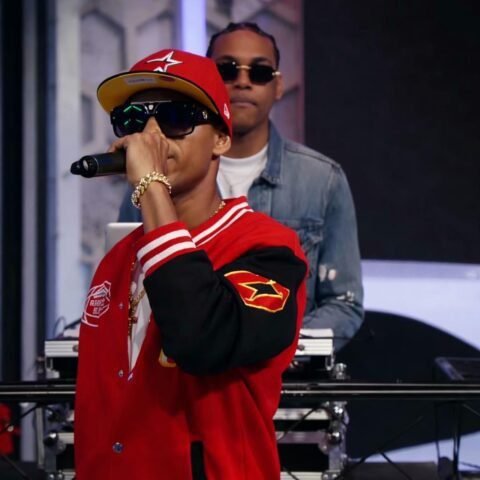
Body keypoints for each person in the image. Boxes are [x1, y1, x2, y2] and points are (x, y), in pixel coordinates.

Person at [75, 49, 307, 480]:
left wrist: (151, 186)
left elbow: (202, 340)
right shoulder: (116, 260)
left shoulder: (268, 247)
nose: (151, 137)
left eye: (175, 118)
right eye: (133, 120)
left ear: (221, 139)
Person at [118, 23, 364, 351]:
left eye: (260, 72)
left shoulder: (322, 179)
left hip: (283, 375)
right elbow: (125, 291)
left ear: (278, 86)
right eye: (227, 70)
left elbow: (343, 303)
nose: (243, 81)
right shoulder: (152, 177)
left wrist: (267, 353)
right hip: (169, 364)